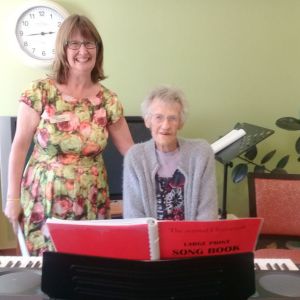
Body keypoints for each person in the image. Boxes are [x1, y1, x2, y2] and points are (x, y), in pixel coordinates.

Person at [4, 14, 134, 256]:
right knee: (46, 271)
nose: (82, 51)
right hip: (44, 198)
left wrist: (168, 157)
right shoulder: (40, 91)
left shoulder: (108, 100)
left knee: (87, 267)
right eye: (74, 44)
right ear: (62, 49)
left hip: (91, 199)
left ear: (98, 49)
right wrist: (12, 199)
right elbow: (20, 146)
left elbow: (132, 152)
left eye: (89, 43)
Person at [123, 86, 218, 220]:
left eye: (172, 118)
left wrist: (192, 240)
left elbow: (207, 213)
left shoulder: (201, 153)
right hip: (149, 239)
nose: (166, 125)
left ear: (180, 123)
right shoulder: (135, 157)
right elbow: (134, 216)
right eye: (158, 117)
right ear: (147, 120)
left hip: (193, 239)